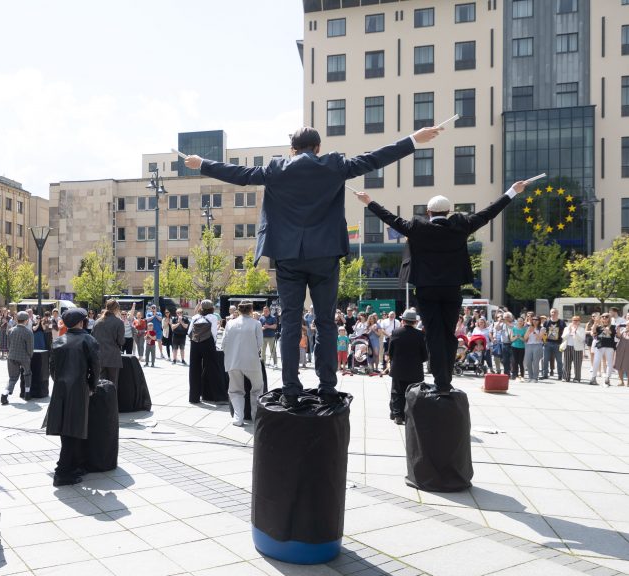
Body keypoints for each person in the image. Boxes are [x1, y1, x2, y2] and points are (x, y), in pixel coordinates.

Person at [186, 125, 441, 408]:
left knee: (292, 324)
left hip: (288, 256)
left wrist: (202, 164)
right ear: (317, 148)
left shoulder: (277, 169)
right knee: (325, 322)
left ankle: (291, 389)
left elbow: (241, 175)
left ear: (292, 149)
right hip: (325, 255)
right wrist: (413, 140)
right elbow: (374, 158)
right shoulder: (334, 165)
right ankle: (328, 387)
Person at [356, 178, 529, 394]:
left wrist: (369, 201)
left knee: (433, 334)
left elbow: (391, 219)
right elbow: (488, 212)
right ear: (448, 211)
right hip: (452, 288)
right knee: (449, 335)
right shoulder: (461, 225)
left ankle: (440, 381)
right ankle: (446, 380)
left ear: (428, 212)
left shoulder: (417, 228)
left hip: (427, 288)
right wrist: (513, 191)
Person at [45, 308, 100, 486]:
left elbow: (52, 369)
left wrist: (59, 382)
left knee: (65, 429)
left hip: (61, 389)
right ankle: (62, 472)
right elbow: (96, 367)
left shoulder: (58, 341)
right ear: (81, 322)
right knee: (74, 430)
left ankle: (70, 466)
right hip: (78, 389)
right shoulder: (88, 340)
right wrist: (92, 386)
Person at [221, 301, 264, 426]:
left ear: (239, 310)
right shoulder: (256, 323)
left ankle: (238, 418)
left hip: (233, 360)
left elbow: (224, 343)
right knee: (257, 388)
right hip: (251, 360)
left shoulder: (230, 323)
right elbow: (259, 343)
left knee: (235, 390)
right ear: (251, 310)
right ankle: (255, 416)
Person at [387, 310, 427, 425]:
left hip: (398, 368)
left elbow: (391, 352)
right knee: (413, 393)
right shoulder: (420, 335)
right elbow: (425, 355)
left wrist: (393, 360)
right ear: (415, 322)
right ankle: (410, 414)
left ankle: (398, 415)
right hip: (415, 370)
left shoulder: (396, 332)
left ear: (403, 320)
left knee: (397, 392)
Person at [187, 300, 222, 403]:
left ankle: (194, 397)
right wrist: (213, 343)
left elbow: (189, 332)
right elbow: (214, 333)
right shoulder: (213, 317)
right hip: (207, 343)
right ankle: (218, 397)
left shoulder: (194, 317)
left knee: (194, 370)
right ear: (211, 308)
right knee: (213, 369)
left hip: (195, 344)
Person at [1, 311, 35, 405]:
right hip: (24, 357)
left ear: (17, 319)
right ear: (27, 320)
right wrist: (29, 356)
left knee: (12, 378)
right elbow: (30, 348)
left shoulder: (11, 330)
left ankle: (5, 394)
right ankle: (27, 393)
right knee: (27, 373)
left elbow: (8, 345)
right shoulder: (28, 332)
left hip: (12, 356)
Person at [91, 299, 124, 385]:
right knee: (113, 385)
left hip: (99, 357)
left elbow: (92, 339)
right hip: (113, 357)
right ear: (116, 309)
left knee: (100, 386)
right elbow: (121, 341)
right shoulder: (119, 322)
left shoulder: (97, 322)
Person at [589, 313, 616, 386]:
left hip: (609, 346)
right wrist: (595, 322)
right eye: (603, 317)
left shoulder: (613, 326)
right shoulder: (598, 326)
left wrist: (606, 329)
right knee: (596, 361)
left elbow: (610, 333)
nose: (604, 318)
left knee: (609, 362)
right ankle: (593, 378)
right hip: (600, 345)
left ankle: (607, 378)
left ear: (609, 318)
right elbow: (594, 332)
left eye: (606, 316)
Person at [541, 308, 565, 380]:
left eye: (555, 312)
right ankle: (545, 374)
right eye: (552, 312)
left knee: (559, 360)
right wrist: (544, 341)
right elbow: (543, 333)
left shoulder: (561, 322)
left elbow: (565, 332)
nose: (553, 314)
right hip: (547, 343)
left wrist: (563, 343)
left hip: (558, 344)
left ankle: (560, 375)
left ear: (557, 313)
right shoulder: (546, 322)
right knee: (545, 359)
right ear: (550, 313)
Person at [561, 315, 584, 383]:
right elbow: (563, 337)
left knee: (577, 364)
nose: (575, 322)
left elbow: (582, 339)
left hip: (577, 348)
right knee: (566, 363)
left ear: (579, 322)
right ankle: (566, 377)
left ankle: (577, 378)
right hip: (567, 347)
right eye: (573, 320)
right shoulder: (567, 328)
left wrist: (576, 332)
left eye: (577, 320)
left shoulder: (581, 329)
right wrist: (569, 331)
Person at [523, 314, 543, 382]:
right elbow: (525, 338)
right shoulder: (529, 328)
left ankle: (535, 377)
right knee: (528, 361)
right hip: (529, 345)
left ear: (539, 321)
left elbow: (539, 338)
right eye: (533, 319)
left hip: (537, 345)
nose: (534, 321)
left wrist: (534, 332)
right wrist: (529, 331)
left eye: (536, 320)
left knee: (535, 362)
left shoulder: (542, 328)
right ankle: (530, 377)